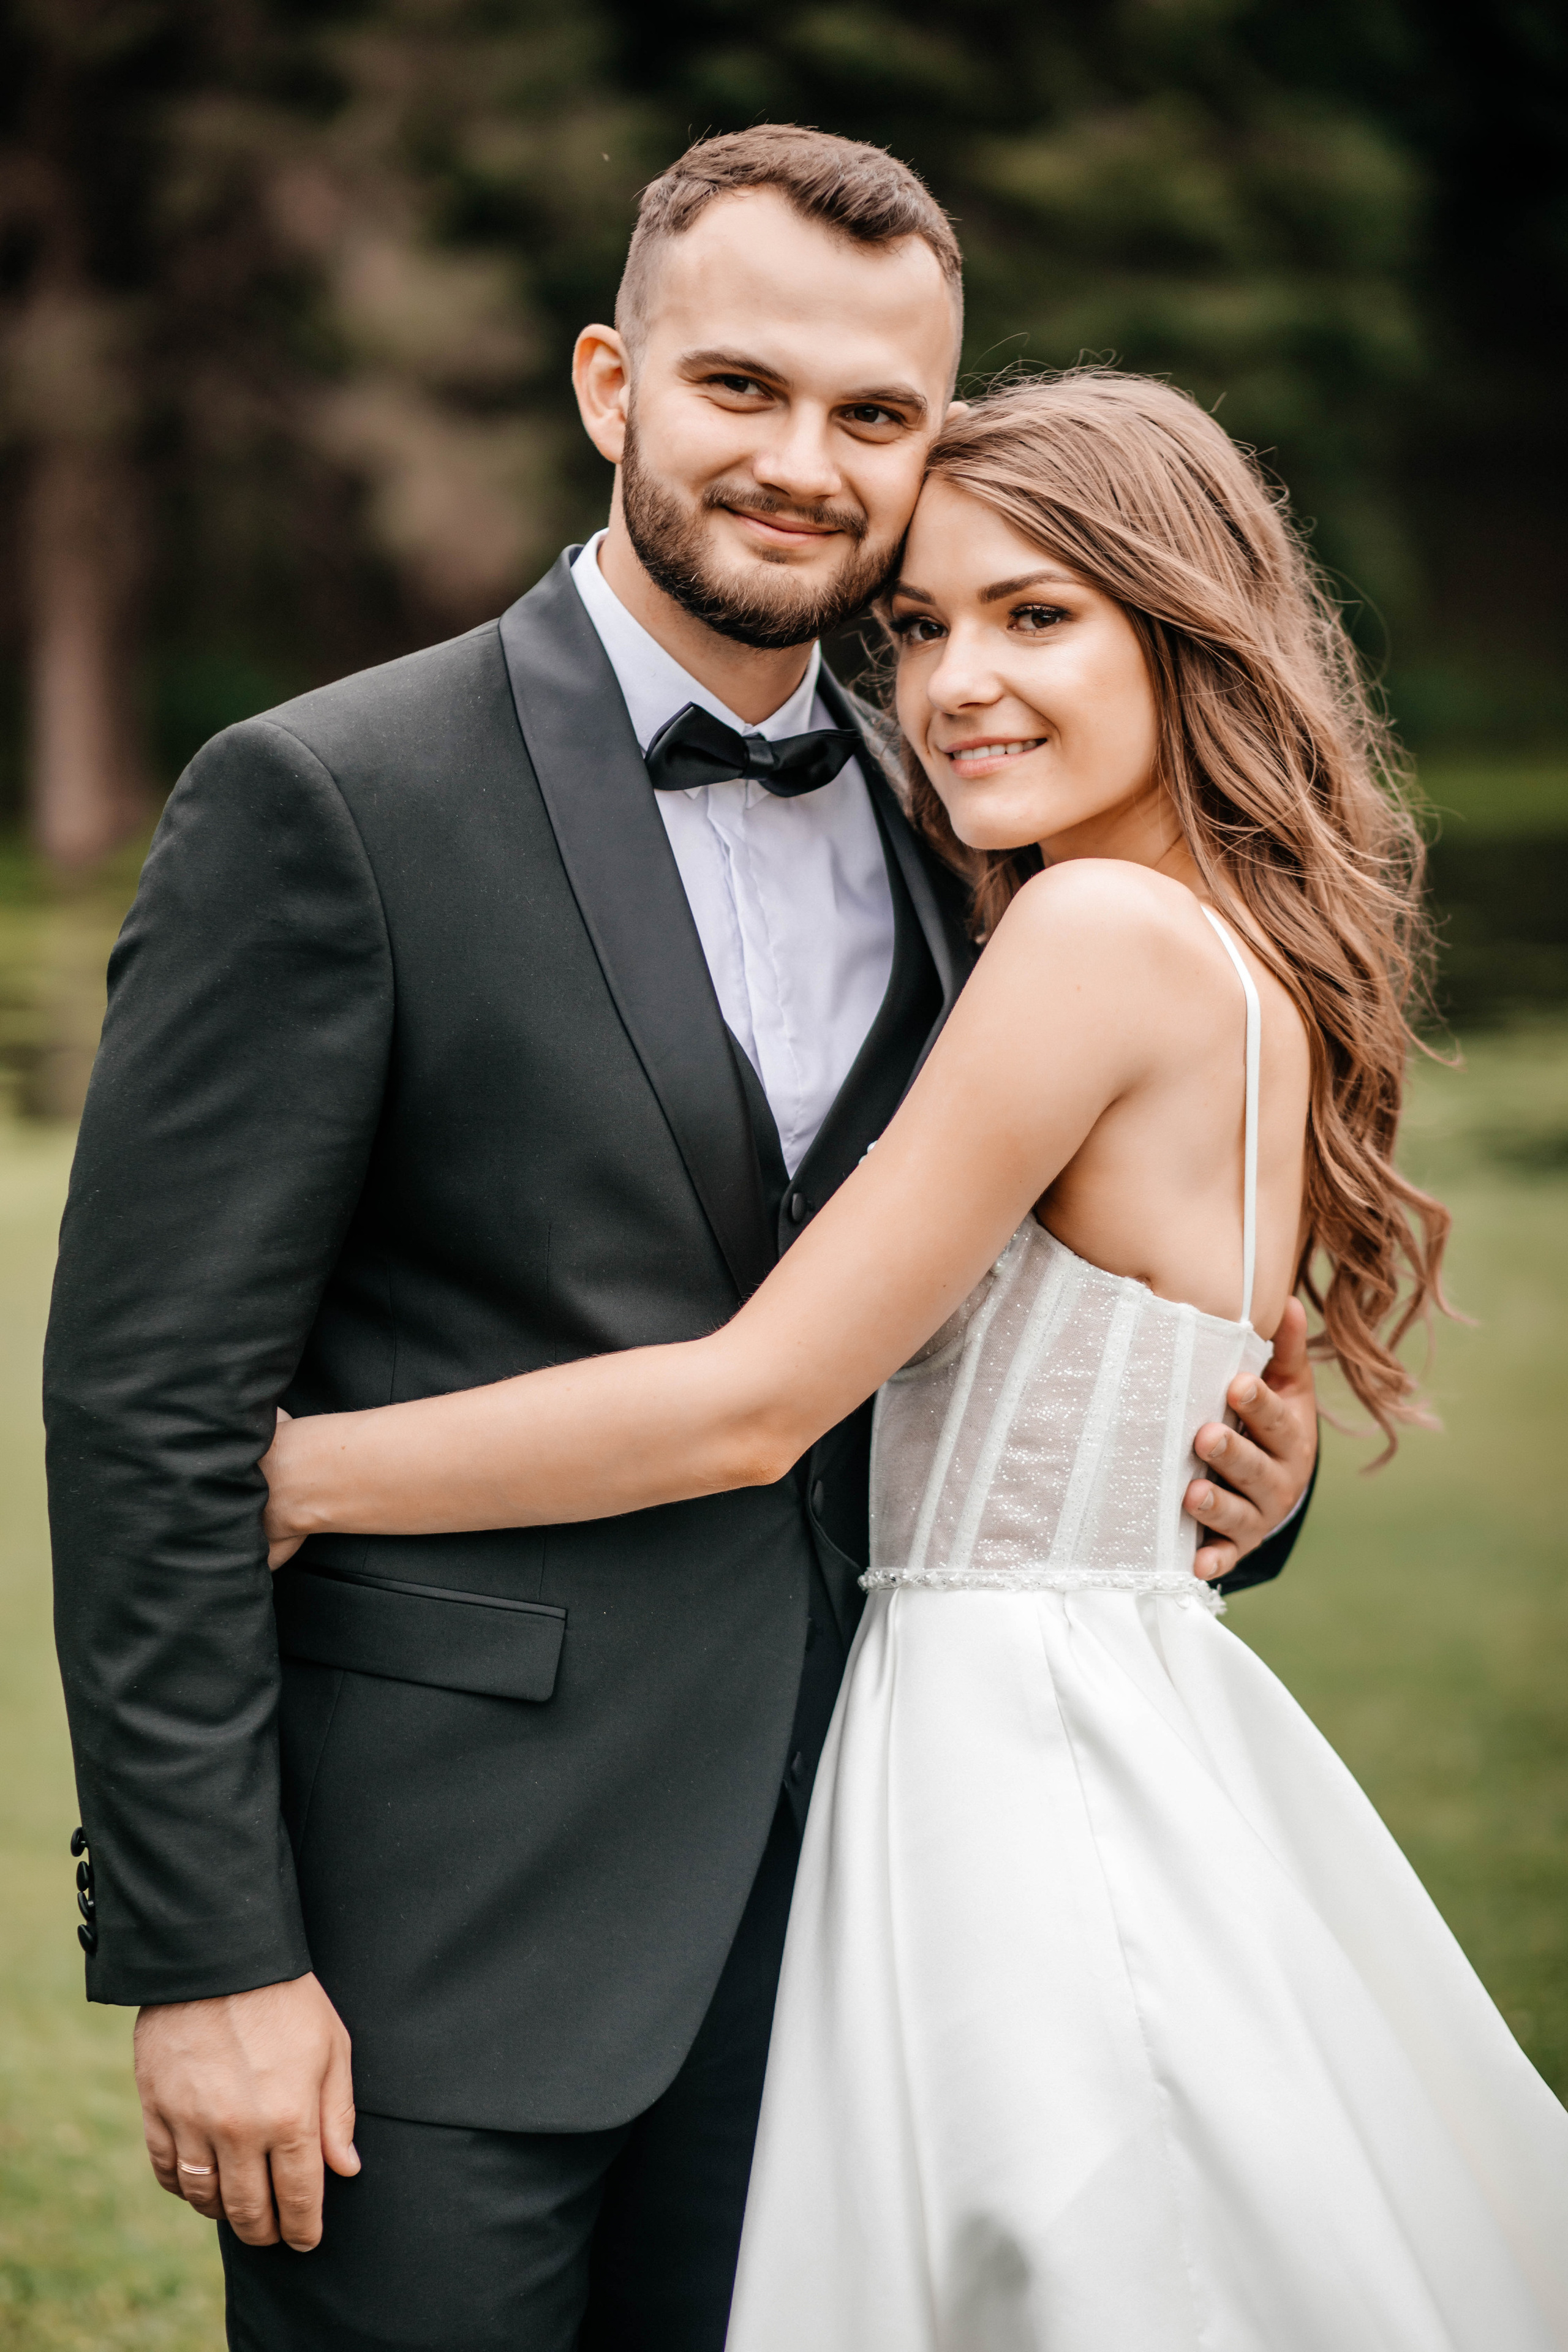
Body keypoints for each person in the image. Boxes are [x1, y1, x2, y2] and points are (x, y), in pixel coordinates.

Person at [45, 130, 1316, 2350]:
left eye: (878, 416)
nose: (807, 463)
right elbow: (149, 1415)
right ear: (612, 382)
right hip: (437, 1950)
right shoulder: (333, 800)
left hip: (873, 1927)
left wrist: (1236, 1478)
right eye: (744, 387)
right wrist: (207, 1955)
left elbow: (1025, 1316)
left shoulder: (975, 822)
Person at [260, 372, 1568, 2348]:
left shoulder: (1091, 943)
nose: (956, 682)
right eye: (924, 624)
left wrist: (297, 1475)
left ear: (1186, 630)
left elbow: (758, 1398)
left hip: (1002, 1745)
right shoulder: (1230, 949)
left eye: (1038, 615)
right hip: (1120, 1697)